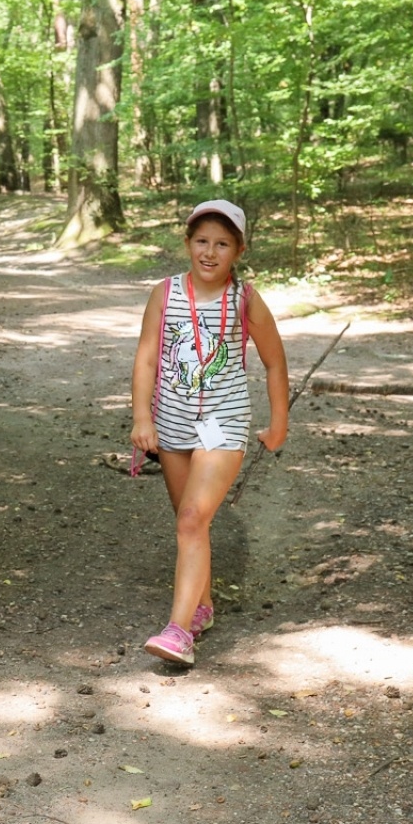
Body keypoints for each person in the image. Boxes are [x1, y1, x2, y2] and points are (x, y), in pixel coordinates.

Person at [130, 200, 289, 668]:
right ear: (187, 243)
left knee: (192, 518)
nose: (210, 252)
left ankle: (178, 631)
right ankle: (201, 607)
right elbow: (146, 358)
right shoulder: (164, 293)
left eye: (222, 244)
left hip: (224, 422)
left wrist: (278, 424)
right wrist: (142, 418)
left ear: (239, 250)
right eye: (202, 241)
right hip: (172, 421)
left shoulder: (245, 299)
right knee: (189, 520)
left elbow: (275, 362)